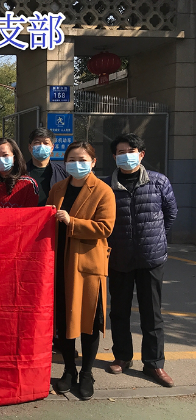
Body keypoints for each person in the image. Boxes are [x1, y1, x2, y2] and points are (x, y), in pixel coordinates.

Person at [104, 133, 178, 387]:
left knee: (152, 314)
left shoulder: (159, 181)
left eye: (131, 151)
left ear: (141, 154)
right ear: (114, 157)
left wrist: (155, 239)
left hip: (151, 258)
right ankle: (122, 357)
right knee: (119, 311)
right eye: (121, 152)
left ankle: (154, 364)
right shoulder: (106, 186)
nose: (126, 156)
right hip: (119, 257)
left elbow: (170, 212)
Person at [46, 142, 116, 400]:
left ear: (93, 162)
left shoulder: (103, 191)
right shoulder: (58, 188)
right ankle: (69, 370)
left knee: (88, 322)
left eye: (82, 159)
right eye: (72, 159)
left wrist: (71, 221)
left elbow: (105, 227)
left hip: (87, 266)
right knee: (65, 320)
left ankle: (86, 373)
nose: (77, 164)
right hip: (61, 263)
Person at [0, 138, 39, 208]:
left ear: (14, 158)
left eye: (5, 155)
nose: (1, 159)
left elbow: (32, 212)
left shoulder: (28, 184)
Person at [25, 128, 68, 206]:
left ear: (52, 148)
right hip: (28, 213)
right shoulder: (20, 172)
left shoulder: (63, 172)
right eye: (37, 143)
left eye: (46, 143)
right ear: (30, 147)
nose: (42, 146)